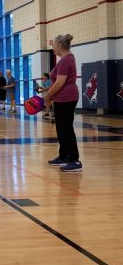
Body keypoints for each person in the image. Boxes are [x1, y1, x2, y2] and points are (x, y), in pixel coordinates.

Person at [43, 34, 82, 172]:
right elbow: (57, 82)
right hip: (61, 99)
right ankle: (64, 156)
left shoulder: (66, 60)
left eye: (53, 45)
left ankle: (75, 160)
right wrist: (50, 93)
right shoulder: (65, 59)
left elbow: (60, 83)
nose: (52, 47)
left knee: (66, 129)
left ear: (60, 45)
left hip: (67, 98)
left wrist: (47, 96)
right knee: (61, 128)